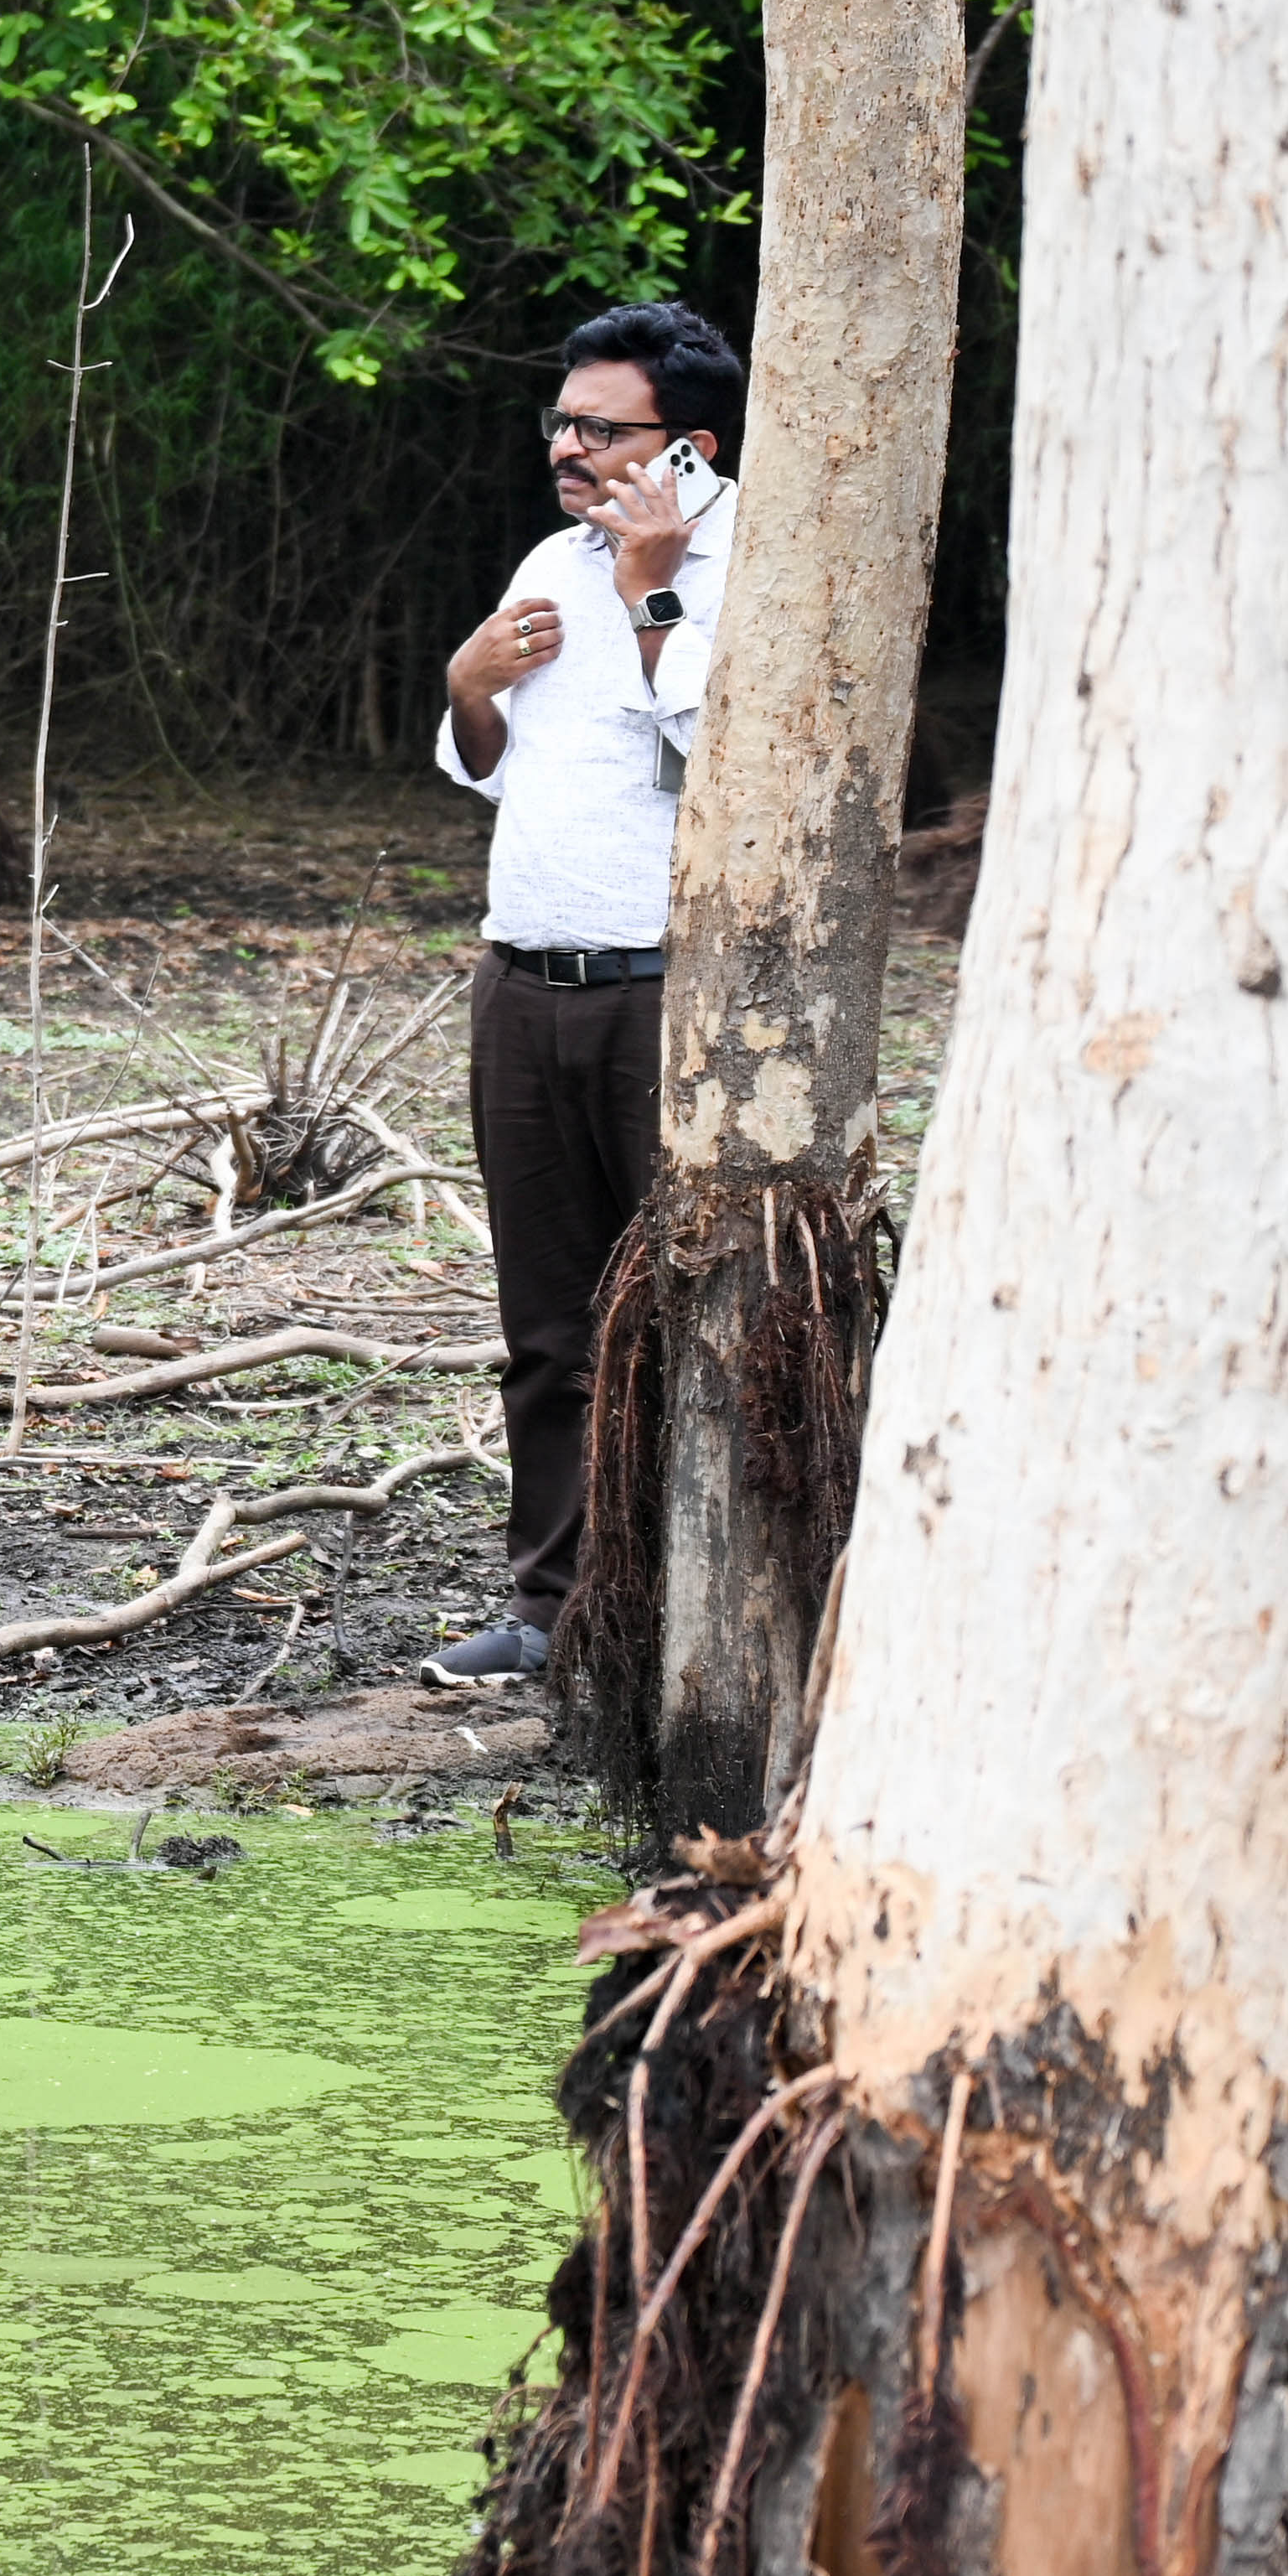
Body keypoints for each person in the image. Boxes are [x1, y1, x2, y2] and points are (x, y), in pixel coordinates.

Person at [422, 300, 742, 1687]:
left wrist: (653, 587)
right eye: (559, 421)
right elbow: (490, 761)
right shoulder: (552, 553)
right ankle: (551, 1606)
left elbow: (717, 746)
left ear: (689, 446)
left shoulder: (739, 561)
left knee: (682, 1306)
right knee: (546, 1322)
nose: (566, 446)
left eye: (600, 429)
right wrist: (465, 681)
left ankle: (696, 1601)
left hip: (657, 993)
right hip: (520, 979)